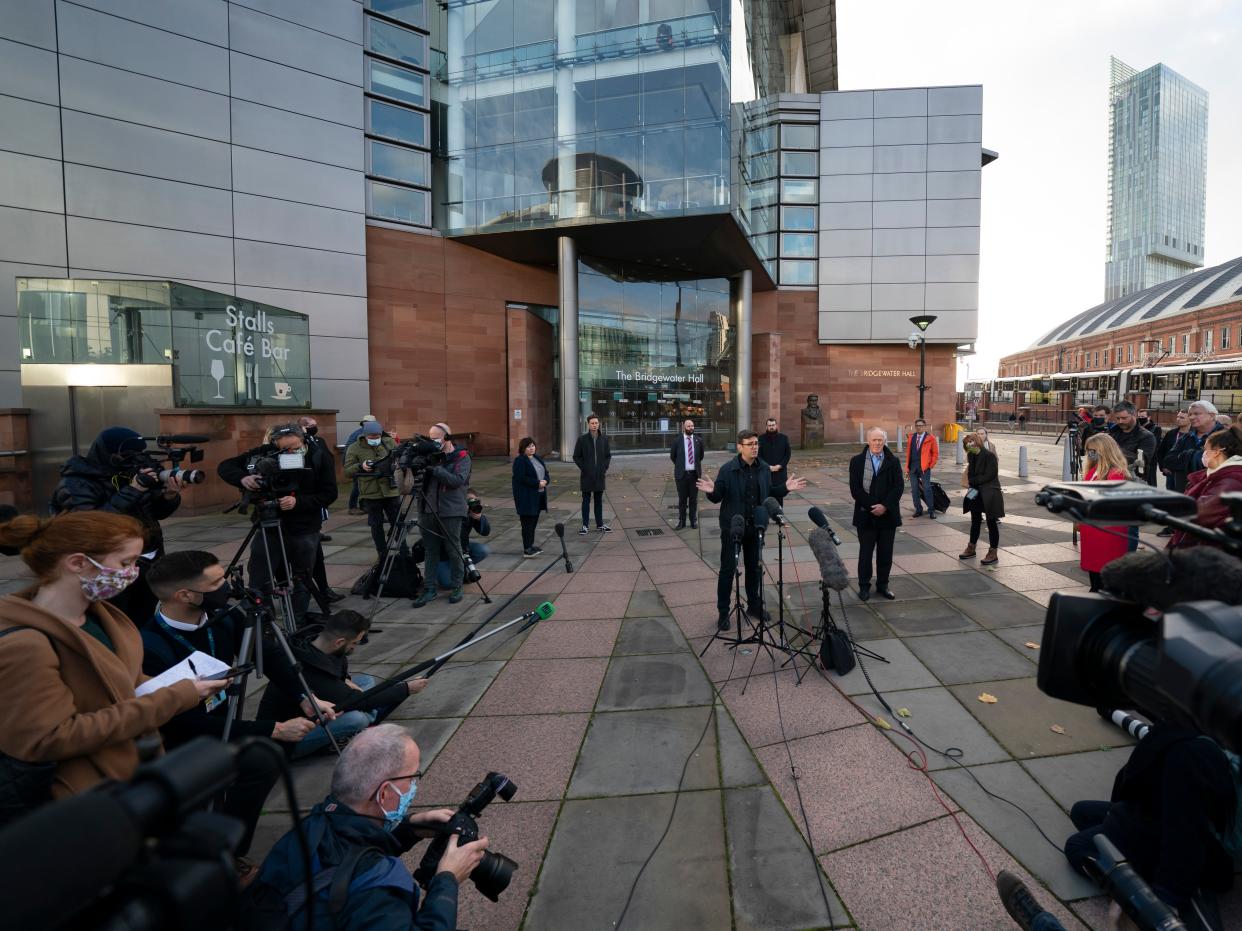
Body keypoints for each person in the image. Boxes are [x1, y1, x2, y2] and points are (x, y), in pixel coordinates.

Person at [0, 512, 225, 808]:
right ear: (78, 563)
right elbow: (49, 738)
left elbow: (116, 682)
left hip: (127, 777)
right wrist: (177, 695)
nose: (134, 572)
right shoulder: (25, 644)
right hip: (83, 801)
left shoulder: (101, 615)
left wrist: (178, 685)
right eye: (126, 563)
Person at [141, 550, 329, 859]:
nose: (227, 586)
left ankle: (231, 846)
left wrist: (305, 696)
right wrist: (273, 729)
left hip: (224, 716)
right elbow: (178, 722)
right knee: (251, 765)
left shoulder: (225, 617)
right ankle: (217, 853)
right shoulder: (150, 646)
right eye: (216, 583)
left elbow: (269, 655)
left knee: (266, 759)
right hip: (184, 740)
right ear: (185, 595)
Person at [250, 724, 488, 930]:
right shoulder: (376, 891)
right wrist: (447, 879)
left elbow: (351, 850)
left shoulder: (313, 825)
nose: (414, 785)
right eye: (412, 777)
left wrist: (409, 828)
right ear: (384, 793)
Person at [1063, 723, 1237, 929]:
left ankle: (1155, 881)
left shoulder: (1192, 753)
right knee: (1082, 812)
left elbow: (1186, 833)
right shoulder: (1194, 726)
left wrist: (1160, 900)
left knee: (1078, 847)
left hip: (1199, 841)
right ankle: (1141, 850)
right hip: (1160, 810)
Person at [50, 426, 183, 627]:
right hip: (107, 566)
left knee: (145, 619)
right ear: (110, 454)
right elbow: (89, 526)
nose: (134, 459)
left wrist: (169, 496)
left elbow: (155, 513)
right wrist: (133, 490)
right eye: (128, 455)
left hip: (147, 561)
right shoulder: (76, 483)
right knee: (114, 622)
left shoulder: (128, 474)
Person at [258, 610, 427, 760]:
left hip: (314, 705)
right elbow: (362, 701)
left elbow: (338, 673)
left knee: (366, 681)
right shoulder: (311, 671)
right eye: (353, 643)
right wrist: (407, 688)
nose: (354, 648)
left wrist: (345, 680)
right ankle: (347, 730)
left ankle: (360, 712)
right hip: (288, 741)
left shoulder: (315, 640)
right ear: (339, 642)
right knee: (358, 718)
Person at [218, 422, 338, 624]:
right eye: (284, 449)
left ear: (303, 439)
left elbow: (329, 493)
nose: (290, 452)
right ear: (275, 444)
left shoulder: (319, 456)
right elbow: (226, 466)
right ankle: (264, 621)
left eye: (295, 447)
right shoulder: (267, 452)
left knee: (302, 576)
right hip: (269, 522)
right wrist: (243, 479)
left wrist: (298, 502)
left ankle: (297, 621)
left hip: (304, 526)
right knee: (259, 575)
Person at [698, 430, 808, 627]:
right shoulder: (727, 470)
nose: (755, 447)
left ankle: (754, 605)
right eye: (750, 444)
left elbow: (770, 493)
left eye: (756, 443)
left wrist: (785, 488)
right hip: (734, 528)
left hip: (756, 528)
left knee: (754, 569)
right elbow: (717, 496)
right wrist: (710, 491)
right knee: (728, 570)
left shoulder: (764, 468)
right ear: (740, 447)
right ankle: (723, 612)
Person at [412, 423, 472, 608]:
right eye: (431, 438)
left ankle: (457, 586)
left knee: (454, 549)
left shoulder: (461, 457)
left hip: (451, 511)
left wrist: (435, 468)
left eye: (437, 437)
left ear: (447, 437)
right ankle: (429, 588)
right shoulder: (427, 456)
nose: (434, 441)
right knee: (431, 551)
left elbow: (457, 481)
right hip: (427, 509)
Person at [849, 429, 903, 601]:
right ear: (868, 441)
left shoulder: (893, 461)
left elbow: (898, 487)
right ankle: (864, 586)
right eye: (874, 440)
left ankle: (883, 585)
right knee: (865, 554)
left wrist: (885, 506)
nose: (878, 443)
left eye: (880, 440)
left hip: (888, 516)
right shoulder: (857, 461)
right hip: (866, 515)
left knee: (885, 553)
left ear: (885, 441)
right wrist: (874, 506)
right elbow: (855, 489)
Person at [1168, 426, 1242, 550]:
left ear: (1217, 451)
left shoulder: (1231, 480)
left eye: (1205, 449)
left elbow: (1199, 514)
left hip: (1205, 551)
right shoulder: (1217, 474)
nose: (1203, 453)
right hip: (1198, 546)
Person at [1078, 434, 1131, 592]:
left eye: (1092, 450)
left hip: (1107, 528)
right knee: (1094, 564)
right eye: (1088, 450)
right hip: (1092, 526)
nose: (1089, 454)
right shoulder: (1093, 470)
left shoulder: (1116, 473)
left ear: (1103, 451)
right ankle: (1095, 588)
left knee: (1105, 564)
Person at [345, 420, 404, 558]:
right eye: (371, 438)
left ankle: (404, 551)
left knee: (398, 523)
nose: (375, 440)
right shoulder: (355, 447)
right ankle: (382, 554)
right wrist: (361, 466)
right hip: (371, 493)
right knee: (376, 525)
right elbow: (347, 471)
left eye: (377, 437)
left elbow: (400, 459)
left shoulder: (389, 442)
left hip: (391, 490)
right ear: (364, 436)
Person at [959, 431, 1004, 565]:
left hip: (990, 493)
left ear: (977, 442)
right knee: (975, 520)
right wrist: (973, 483)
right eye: (967, 444)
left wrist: (975, 481)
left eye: (971, 442)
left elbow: (990, 475)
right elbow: (970, 475)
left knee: (991, 523)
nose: (969, 445)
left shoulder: (989, 456)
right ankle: (971, 547)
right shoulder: (971, 456)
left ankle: (993, 552)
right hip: (975, 492)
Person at [436, 489, 490, 589]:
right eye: (467, 501)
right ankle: (449, 570)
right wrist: (460, 513)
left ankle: (462, 569)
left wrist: (480, 518)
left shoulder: (471, 513)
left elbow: (485, 532)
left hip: (463, 548)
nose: (470, 504)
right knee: (447, 584)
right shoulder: (450, 511)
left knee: (483, 550)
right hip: (444, 553)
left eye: (473, 501)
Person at [1167, 401, 1226, 492]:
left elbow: (1219, 465)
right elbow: (1169, 461)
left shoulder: (1226, 437)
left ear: (1212, 415)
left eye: (1196, 414)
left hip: (1212, 492)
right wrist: (1196, 457)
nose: (1191, 417)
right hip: (1185, 491)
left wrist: (1185, 456)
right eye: (1190, 414)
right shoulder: (1186, 437)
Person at [572, 414, 612, 534]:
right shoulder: (582, 439)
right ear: (588, 425)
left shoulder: (604, 439)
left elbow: (607, 456)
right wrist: (585, 468)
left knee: (599, 500)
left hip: (599, 475)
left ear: (599, 424)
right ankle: (585, 525)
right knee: (586, 500)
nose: (594, 425)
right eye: (592, 423)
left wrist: (604, 468)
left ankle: (600, 524)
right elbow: (576, 456)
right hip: (587, 476)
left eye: (596, 423)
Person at [512, 437, 549, 558]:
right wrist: (537, 483)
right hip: (526, 497)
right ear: (523, 449)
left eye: (533, 445)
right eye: (528, 446)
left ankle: (531, 545)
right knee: (527, 523)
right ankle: (527, 549)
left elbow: (546, 473)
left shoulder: (537, 458)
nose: (531, 448)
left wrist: (545, 481)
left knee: (533, 522)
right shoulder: (520, 461)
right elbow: (521, 478)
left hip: (538, 496)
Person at [1109, 401, 1157, 484]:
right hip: (1110, 478)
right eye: (1117, 418)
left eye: (1124, 418)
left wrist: (1113, 450)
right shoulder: (1112, 432)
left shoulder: (1147, 436)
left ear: (1134, 415)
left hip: (1133, 480)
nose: (1120, 421)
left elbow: (1140, 460)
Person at [671, 419, 705, 529]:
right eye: (688, 426)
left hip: (694, 475)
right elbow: (673, 457)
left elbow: (701, 456)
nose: (691, 428)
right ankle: (682, 521)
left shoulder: (698, 440)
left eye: (692, 426)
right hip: (682, 475)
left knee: (693, 499)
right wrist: (681, 466)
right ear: (684, 427)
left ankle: (693, 521)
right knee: (682, 500)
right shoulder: (677, 441)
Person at [906, 418, 940, 519]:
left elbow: (935, 453)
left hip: (925, 467)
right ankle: (918, 510)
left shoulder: (930, 438)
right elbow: (909, 453)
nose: (919, 427)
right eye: (917, 426)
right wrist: (907, 467)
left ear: (924, 426)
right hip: (913, 468)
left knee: (927, 489)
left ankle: (931, 510)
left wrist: (931, 465)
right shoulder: (911, 437)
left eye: (921, 426)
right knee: (915, 490)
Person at [345, 415, 377, 515]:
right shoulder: (362, 433)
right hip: (356, 464)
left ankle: (362, 506)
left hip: (356, 463)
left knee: (361, 485)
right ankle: (353, 507)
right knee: (357, 485)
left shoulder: (360, 432)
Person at [758, 417, 792, 503]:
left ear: (776, 425)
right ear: (766, 427)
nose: (771, 427)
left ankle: (778, 514)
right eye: (769, 425)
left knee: (779, 496)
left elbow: (787, 454)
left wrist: (780, 466)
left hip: (780, 473)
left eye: (773, 425)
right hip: (766, 472)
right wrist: (768, 467)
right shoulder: (761, 439)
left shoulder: (784, 438)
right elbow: (758, 456)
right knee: (765, 495)